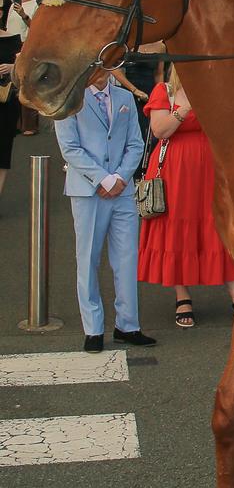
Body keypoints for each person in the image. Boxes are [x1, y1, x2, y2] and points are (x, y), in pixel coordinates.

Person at [54, 71, 154, 353]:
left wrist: (121, 177)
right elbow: (70, 148)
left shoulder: (123, 96)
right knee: (88, 258)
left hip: (122, 190)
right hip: (88, 190)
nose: (104, 71)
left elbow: (136, 142)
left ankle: (128, 324)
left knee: (126, 258)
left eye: (109, 65)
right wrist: (102, 178)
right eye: (99, 64)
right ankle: (93, 329)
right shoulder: (70, 98)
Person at [137, 68, 234, 327]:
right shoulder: (165, 91)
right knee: (175, 229)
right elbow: (160, 130)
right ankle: (182, 295)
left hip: (210, 169)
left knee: (218, 227)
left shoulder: (212, 87)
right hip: (175, 172)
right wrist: (183, 110)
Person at [5, 0, 39, 134]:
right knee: (11, 84)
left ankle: (29, 125)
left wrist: (24, 15)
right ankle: (15, 123)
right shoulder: (12, 5)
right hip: (10, 45)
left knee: (25, 85)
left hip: (25, 45)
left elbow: (36, 28)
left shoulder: (35, 5)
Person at [0, 30, 21, 203]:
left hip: (6, 101)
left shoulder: (13, 39)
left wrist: (13, 67)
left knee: (3, 149)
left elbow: (28, 66)